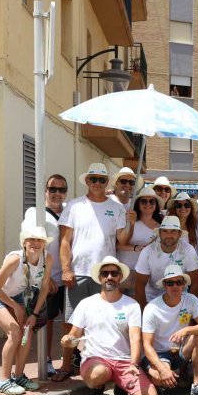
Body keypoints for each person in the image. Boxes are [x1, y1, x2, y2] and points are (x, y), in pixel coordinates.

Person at [56, 163, 128, 382]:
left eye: (101, 179)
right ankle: (67, 364)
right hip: (78, 273)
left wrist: (130, 223)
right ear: (87, 181)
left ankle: (103, 364)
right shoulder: (75, 206)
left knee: (103, 321)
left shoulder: (117, 208)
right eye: (93, 179)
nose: (97, 183)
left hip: (105, 274)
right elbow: (65, 241)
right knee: (71, 323)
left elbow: (122, 240)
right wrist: (66, 269)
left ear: (107, 183)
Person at [61, 256, 158, 395]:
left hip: (124, 362)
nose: (109, 277)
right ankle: (97, 390)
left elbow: (135, 338)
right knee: (99, 372)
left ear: (120, 276)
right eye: (105, 274)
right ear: (100, 278)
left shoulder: (131, 304)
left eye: (114, 273)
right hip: (96, 360)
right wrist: (68, 339)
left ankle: (122, 386)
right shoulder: (86, 304)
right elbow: (74, 333)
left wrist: (134, 364)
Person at [0, 227, 53, 395]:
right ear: (24, 243)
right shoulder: (15, 259)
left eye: (40, 240)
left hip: (15, 295)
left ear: (44, 244)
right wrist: (15, 306)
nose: (35, 243)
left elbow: (44, 287)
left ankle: (19, 376)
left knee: (27, 332)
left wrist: (34, 314)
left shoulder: (47, 258)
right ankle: (3, 381)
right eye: (31, 240)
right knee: (14, 332)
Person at [141, 265, 198, 395]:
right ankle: (153, 374)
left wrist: (186, 330)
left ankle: (197, 385)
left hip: (181, 350)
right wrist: (161, 368)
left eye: (179, 282)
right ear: (164, 285)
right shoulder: (152, 308)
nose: (175, 286)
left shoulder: (191, 299)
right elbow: (146, 345)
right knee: (160, 379)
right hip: (160, 354)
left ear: (184, 285)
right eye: (170, 283)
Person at [21, 174, 67, 374]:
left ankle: (70, 359)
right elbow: (31, 246)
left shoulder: (69, 212)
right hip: (48, 279)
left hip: (67, 275)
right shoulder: (35, 212)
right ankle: (46, 361)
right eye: (53, 189)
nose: (57, 193)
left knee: (70, 320)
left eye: (61, 189)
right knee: (46, 322)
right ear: (45, 191)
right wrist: (45, 276)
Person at [134, 216, 198, 309]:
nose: (169, 235)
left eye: (173, 231)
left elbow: (196, 283)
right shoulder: (147, 252)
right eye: (165, 231)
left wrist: (188, 309)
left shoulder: (188, 250)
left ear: (179, 234)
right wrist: (144, 310)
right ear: (160, 233)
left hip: (180, 300)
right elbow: (139, 285)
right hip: (153, 300)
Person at [117, 187, 162, 291]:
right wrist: (135, 248)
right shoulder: (128, 221)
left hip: (145, 273)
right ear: (138, 203)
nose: (148, 204)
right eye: (144, 201)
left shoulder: (161, 226)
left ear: (156, 205)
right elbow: (117, 245)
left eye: (151, 201)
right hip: (124, 271)